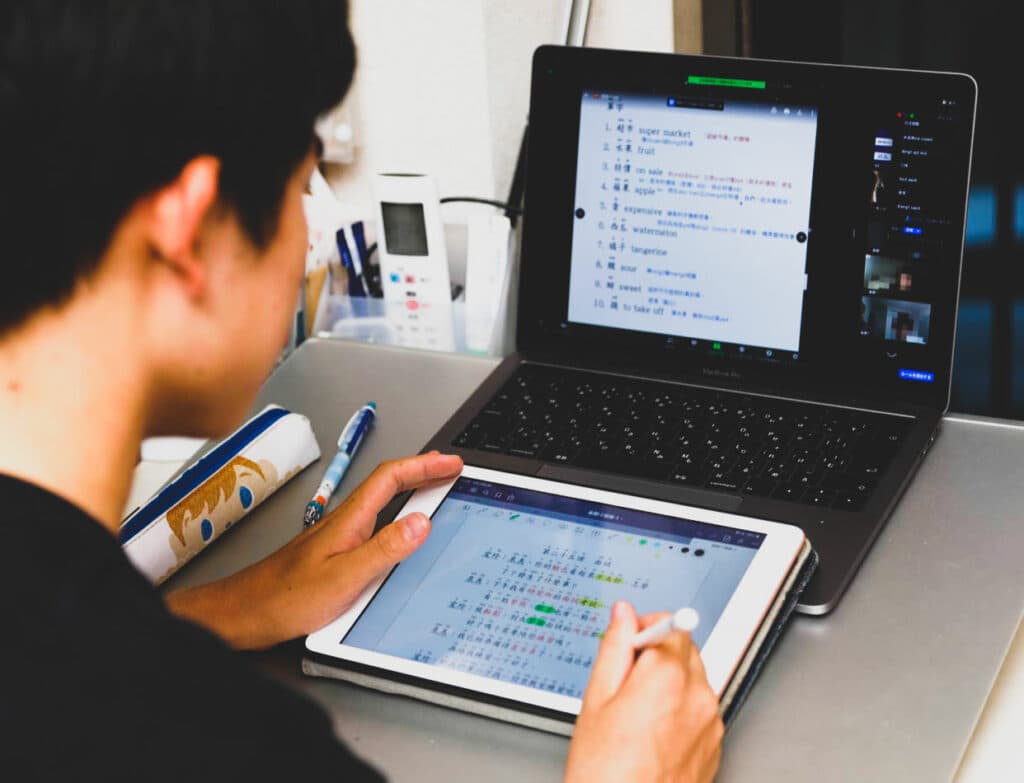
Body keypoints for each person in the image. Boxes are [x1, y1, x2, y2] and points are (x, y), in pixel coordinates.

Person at [0, 2, 723, 781]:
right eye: (299, 189)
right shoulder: (228, 747)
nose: (311, 243)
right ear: (190, 231)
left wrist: (224, 608)